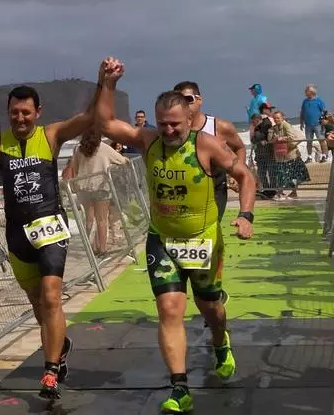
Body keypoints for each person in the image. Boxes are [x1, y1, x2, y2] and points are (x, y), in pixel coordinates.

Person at [96, 57, 257, 415]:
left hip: (203, 240)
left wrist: (245, 215)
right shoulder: (148, 141)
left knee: (210, 307)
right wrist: (108, 84)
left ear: (189, 119)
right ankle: (180, 387)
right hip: (163, 240)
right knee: (170, 309)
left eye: (175, 124)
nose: (168, 131)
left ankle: (220, 341)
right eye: (163, 124)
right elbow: (105, 123)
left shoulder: (206, 145)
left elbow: (246, 176)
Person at [0, 83, 100, 402]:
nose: (20, 118)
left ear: (38, 112)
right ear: (8, 112)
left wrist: (104, 82)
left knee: (51, 297)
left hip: (50, 226)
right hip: (17, 233)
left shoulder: (51, 135)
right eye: (14, 112)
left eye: (26, 112)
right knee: (38, 303)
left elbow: (90, 117)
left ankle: (50, 371)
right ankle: (60, 344)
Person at [174, 81, 248, 222]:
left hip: (215, 188)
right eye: (178, 100)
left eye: (188, 99)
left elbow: (239, 147)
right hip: (183, 189)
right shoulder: (172, 130)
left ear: (199, 100)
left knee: (210, 227)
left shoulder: (219, 127)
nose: (184, 104)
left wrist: (236, 173)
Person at [63, 129, 128, 256]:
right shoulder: (103, 147)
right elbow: (121, 160)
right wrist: (126, 160)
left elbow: (76, 168)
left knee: (89, 219)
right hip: (101, 186)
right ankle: (102, 249)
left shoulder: (79, 149)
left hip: (84, 187)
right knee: (102, 220)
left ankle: (91, 247)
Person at [299, 85, 328, 162]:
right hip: (308, 125)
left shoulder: (319, 100)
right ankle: (309, 157)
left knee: (321, 140)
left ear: (311, 92)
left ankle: (324, 155)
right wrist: (301, 122)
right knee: (309, 141)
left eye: (306, 90)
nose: (305, 92)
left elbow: (325, 111)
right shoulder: (305, 101)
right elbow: (302, 112)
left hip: (318, 124)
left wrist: (323, 121)